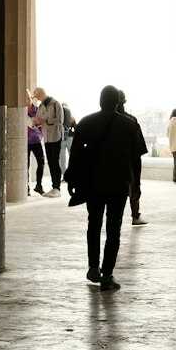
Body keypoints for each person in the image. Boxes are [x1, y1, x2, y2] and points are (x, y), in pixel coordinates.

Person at [65, 84, 144, 291]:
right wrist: (137, 185)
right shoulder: (130, 125)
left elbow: (75, 156)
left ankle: (93, 268)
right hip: (118, 185)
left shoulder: (86, 122)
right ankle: (107, 275)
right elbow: (136, 160)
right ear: (118, 102)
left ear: (100, 101)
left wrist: (72, 181)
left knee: (94, 225)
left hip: (94, 184)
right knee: (113, 230)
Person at [118, 90, 148, 225]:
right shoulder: (131, 121)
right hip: (129, 164)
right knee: (133, 189)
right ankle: (135, 215)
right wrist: (138, 183)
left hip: (107, 168)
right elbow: (137, 153)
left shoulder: (95, 122)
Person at [33, 86, 64, 195]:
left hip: (56, 136)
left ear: (41, 94)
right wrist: (37, 122)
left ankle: (57, 187)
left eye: (38, 97)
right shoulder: (41, 106)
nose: (38, 99)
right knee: (50, 162)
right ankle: (53, 186)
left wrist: (45, 120)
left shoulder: (56, 104)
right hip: (46, 138)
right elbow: (38, 119)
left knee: (55, 161)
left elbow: (59, 120)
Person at [26, 91, 45, 195]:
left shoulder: (37, 110)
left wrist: (41, 135)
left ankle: (39, 185)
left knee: (41, 162)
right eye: (25, 99)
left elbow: (42, 124)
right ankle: (26, 187)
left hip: (36, 140)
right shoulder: (22, 111)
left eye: (28, 98)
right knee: (26, 165)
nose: (27, 101)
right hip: (25, 142)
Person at [60, 102, 75, 173]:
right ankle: (72, 173)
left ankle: (64, 174)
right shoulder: (71, 117)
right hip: (70, 137)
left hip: (62, 138)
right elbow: (76, 128)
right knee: (71, 156)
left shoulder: (59, 117)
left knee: (62, 158)